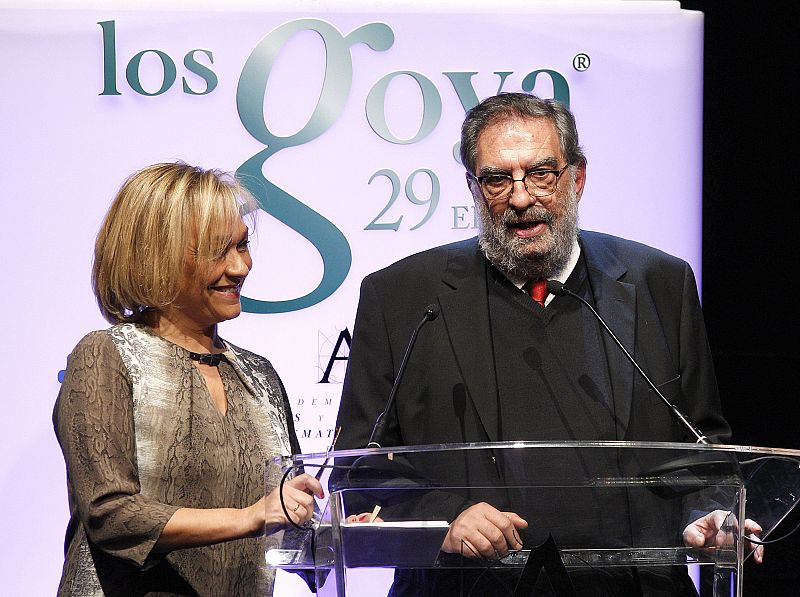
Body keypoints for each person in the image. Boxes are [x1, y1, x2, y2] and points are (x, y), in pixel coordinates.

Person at [335, 93, 760, 596]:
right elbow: (358, 468)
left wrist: (707, 514)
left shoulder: (659, 283)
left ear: (577, 179)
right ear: (473, 187)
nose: (520, 198)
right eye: (497, 179)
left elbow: (703, 451)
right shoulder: (402, 297)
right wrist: (445, 519)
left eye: (541, 173)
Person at [53, 162, 323, 596]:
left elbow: (288, 526)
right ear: (154, 257)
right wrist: (251, 516)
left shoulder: (259, 376)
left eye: (243, 245)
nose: (241, 267)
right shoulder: (107, 356)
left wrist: (351, 528)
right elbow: (111, 515)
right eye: (219, 251)